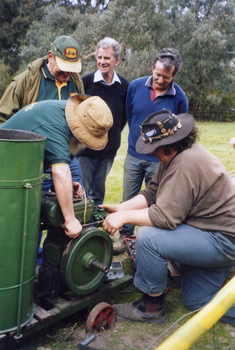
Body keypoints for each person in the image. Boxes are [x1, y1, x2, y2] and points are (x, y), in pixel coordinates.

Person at [100, 109, 235, 326]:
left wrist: (124, 217)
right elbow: (151, 193)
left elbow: (164, 217)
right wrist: (120, 208)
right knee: (197, 302)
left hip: (222, 241)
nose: (153, 155)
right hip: (213, 233)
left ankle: (151, 307)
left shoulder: (184, 164)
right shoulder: (177, 155)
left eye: (155, 149)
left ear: (172, 142)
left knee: (149, 238)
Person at [0, 35, 85, 261]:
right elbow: (3, 123)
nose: (67, 73)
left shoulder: (75, 82)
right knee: (31, 213)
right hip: (31, 160)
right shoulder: (26, 81)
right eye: (63, 67)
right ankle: (31, 261)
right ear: (50, 57)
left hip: (63, 157)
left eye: (72, 68)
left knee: (72, 204)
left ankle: (60, 260)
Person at [0, 95, 113, 239]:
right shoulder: (56, 126)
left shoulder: (61, 112)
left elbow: (58, 166)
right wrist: (71, 221)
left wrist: (67, 186)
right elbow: (60, 172)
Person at [114, 48, 189, 255]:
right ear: (152, 68)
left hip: (160, 160)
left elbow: (179, 129)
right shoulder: (136, 86)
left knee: (159, 200)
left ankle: (153, 240)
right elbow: (131, 115)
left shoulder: (179, 97)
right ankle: (125, 236)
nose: (160, 80)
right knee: (129, 196)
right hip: (133, 155)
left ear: (174, 75)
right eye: (157, 74)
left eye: (166, 77)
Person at [77, 37, 129, 209]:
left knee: (98, 194)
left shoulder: (124, 86)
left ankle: (94, 230)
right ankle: (80, 230)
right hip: (84, 151)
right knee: (81, 193)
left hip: (108, 151)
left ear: (117, 61)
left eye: (107, 58)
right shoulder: (85, 83)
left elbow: (122, 119)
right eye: (99, 57)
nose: (102, 61)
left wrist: (110, 137)